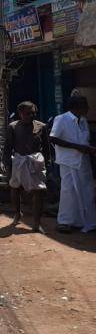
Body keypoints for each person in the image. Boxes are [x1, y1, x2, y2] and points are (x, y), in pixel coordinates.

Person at [49, 94, 96, 234]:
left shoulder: (83, 121)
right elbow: (53, 138)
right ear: (76, 107)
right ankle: (65, 222)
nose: (87, 108)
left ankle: (86, 222)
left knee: (86, 191)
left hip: (83, 162)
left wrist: (88, 149)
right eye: (84, 105)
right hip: (68, 162)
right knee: (68, 191)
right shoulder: (61, 119)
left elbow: (84, 141)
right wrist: (76, 147)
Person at [2, 101, 47, 233]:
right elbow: (7, 147)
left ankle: (36, 223)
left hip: (36, 162)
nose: (31, 116)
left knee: (39, 191)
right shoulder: (13, 127)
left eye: (33, 113)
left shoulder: (41, 127)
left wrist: (48, 163)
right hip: (19, 161)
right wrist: (5, 163)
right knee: (15, 188)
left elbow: (46, 146)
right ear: (20, 114)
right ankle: (17, 213)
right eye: (28, 113)